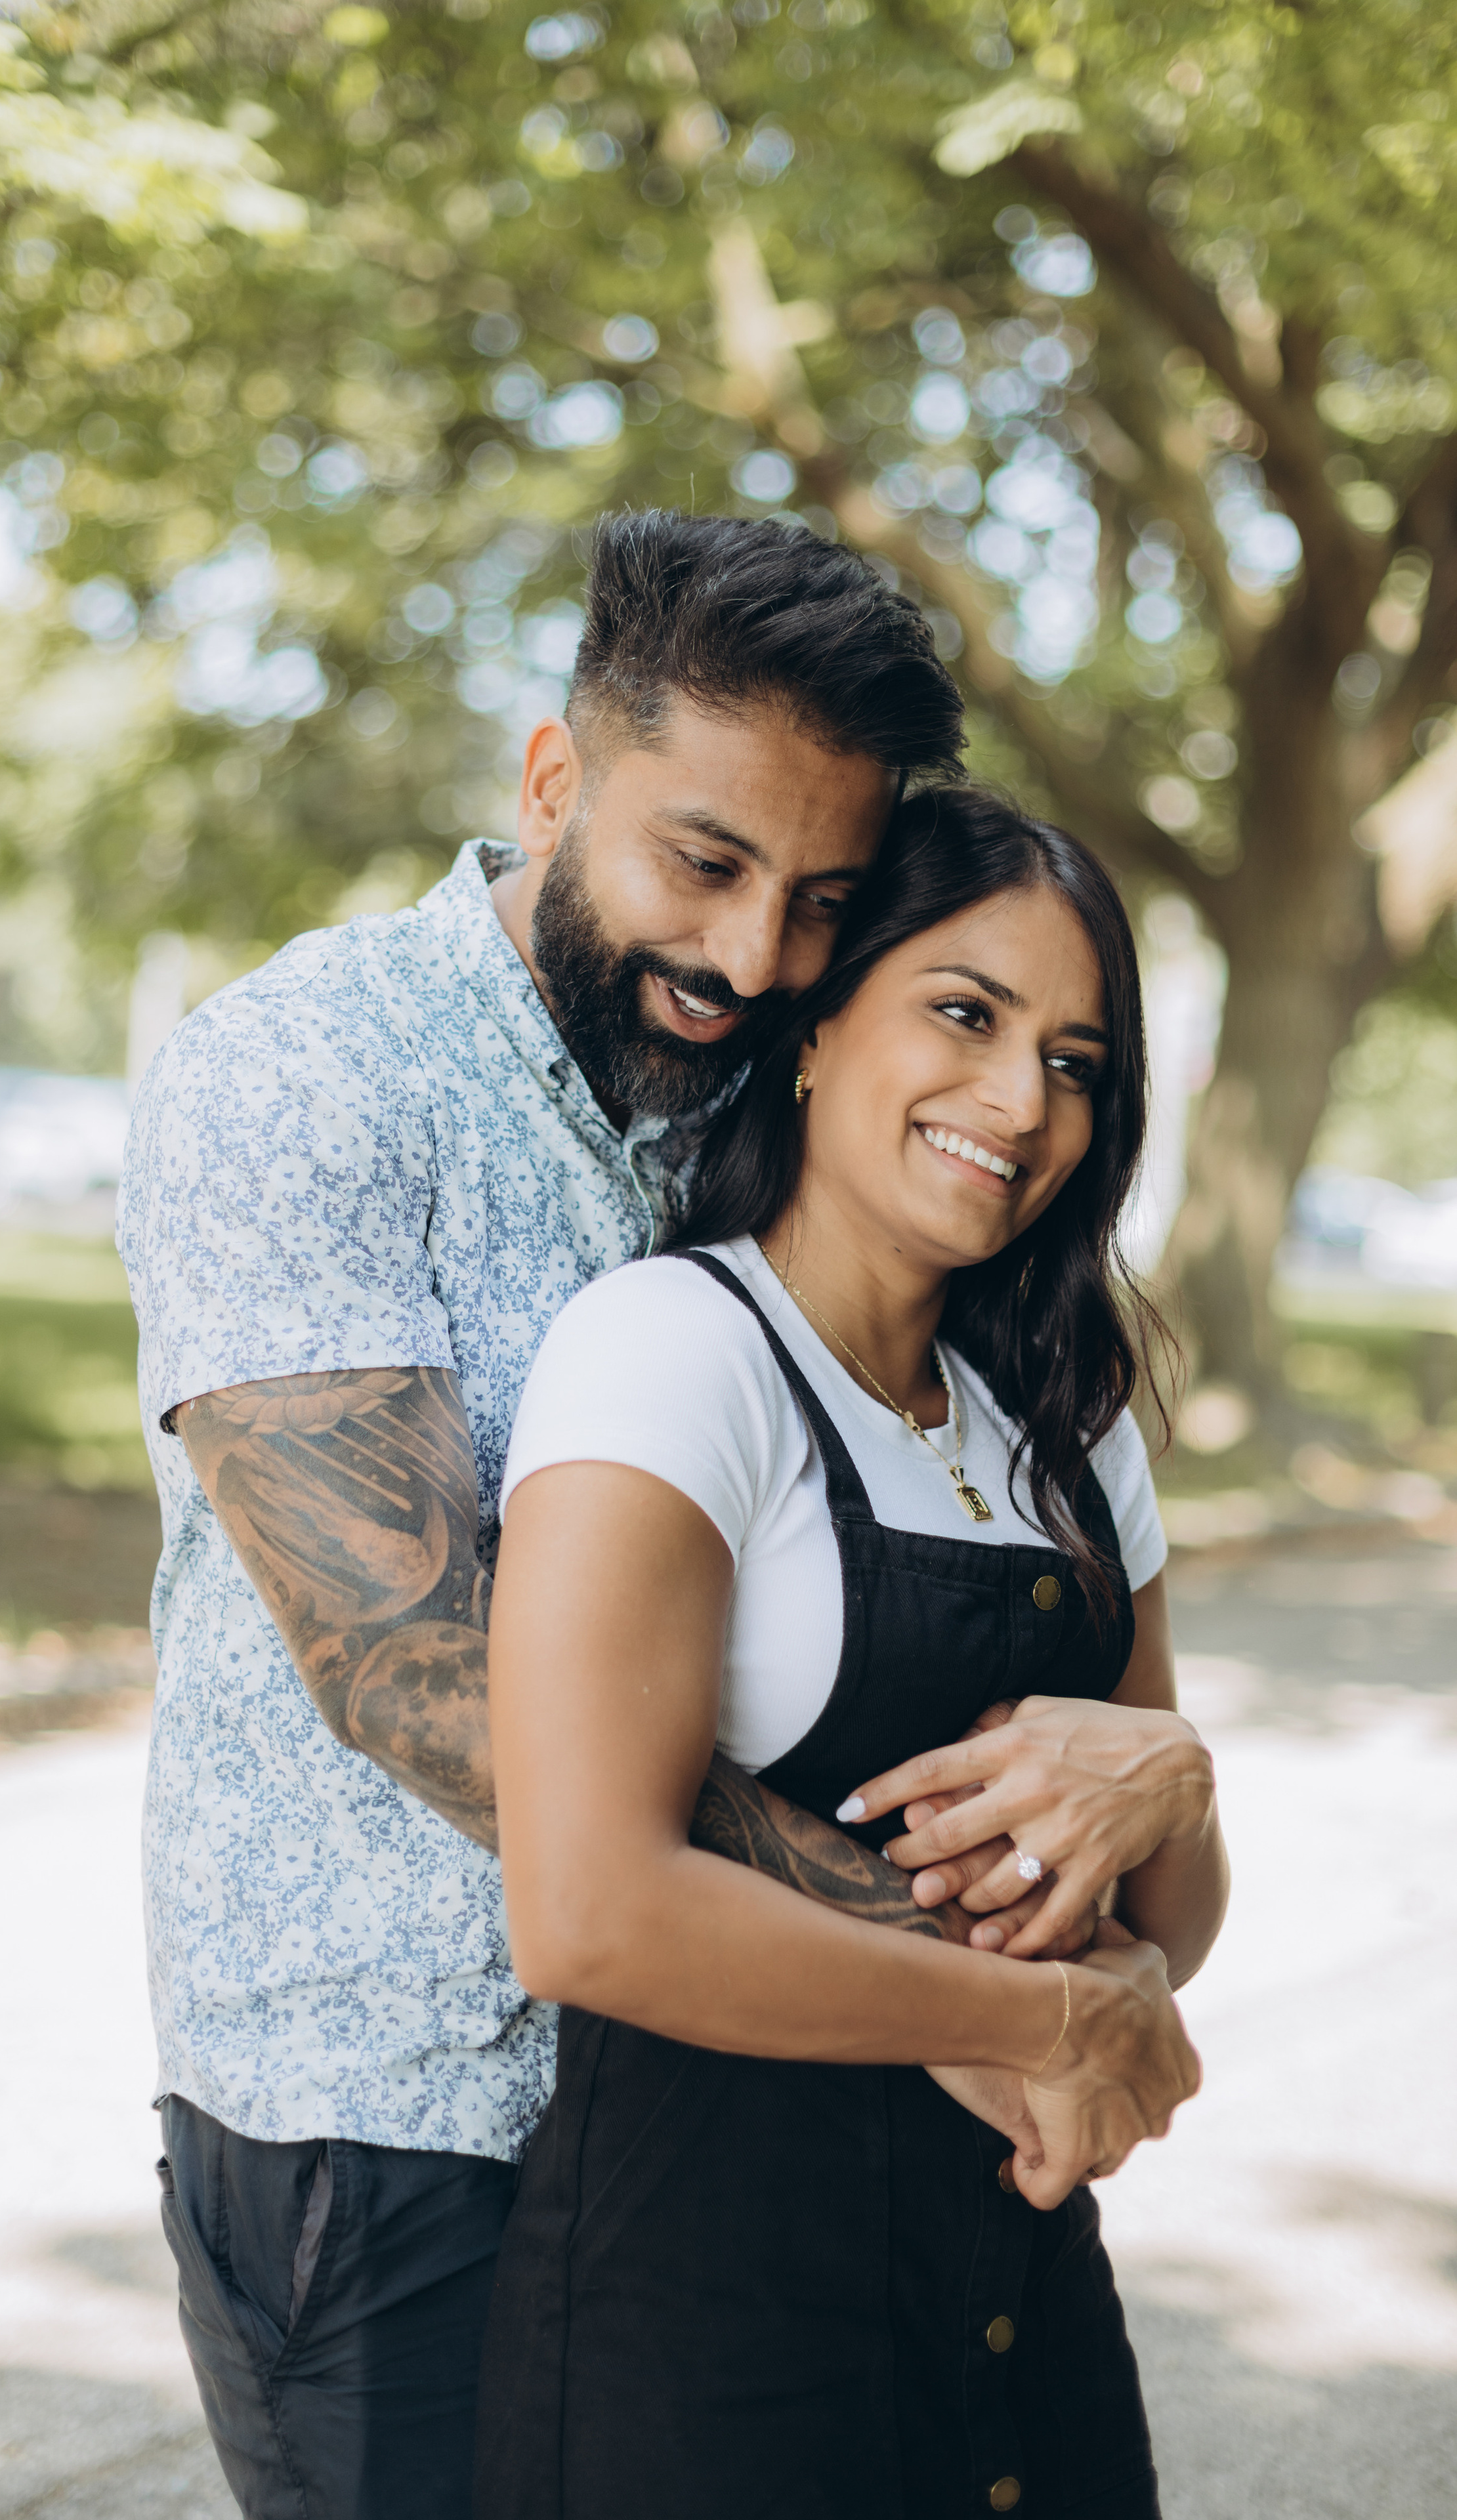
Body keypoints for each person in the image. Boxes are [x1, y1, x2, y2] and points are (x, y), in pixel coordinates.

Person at [116, 510, 975, 2520]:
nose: (755, 954)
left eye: (821, 897)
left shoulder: (772, 1097)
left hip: (716, 2085)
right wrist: (938, 1942)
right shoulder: (300, 1078)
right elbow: (411, 1667)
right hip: (385, 2123)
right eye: (708, 863)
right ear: (554, 776)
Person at [475, 788, 1228, 2520]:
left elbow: (1168, 1926)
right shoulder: (675, 1355)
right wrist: (1040, 2011)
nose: (1021, 1100)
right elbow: (589, 1908)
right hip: (705, 2354)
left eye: (1079, 1059)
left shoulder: (1066, 1421)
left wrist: (1171, 1776)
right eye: (963, 1015)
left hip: (1020, 2322)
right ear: (815, 1036)